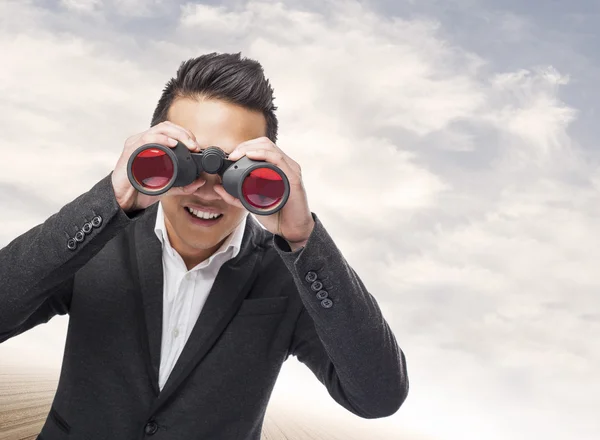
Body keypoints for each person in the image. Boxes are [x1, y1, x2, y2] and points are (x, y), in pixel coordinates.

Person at [0, 52, 408, 440]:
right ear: (153, 152)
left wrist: (303, 239)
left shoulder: (290, 275)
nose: (208, 191)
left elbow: (378, 396)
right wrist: (112, 198)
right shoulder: (98, 242)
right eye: (187, 161)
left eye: (235, 169)